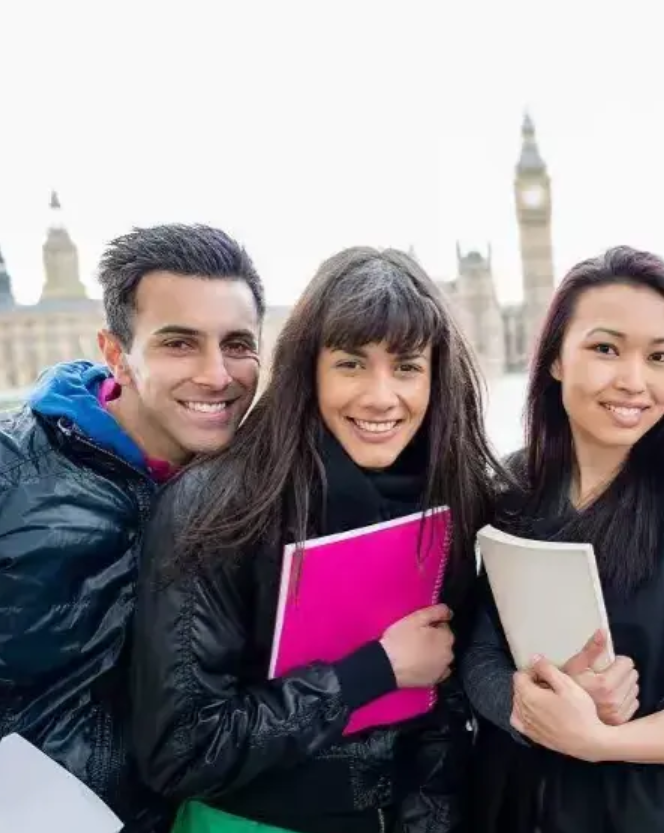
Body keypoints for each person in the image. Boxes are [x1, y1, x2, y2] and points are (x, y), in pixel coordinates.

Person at [128, 247, 501, 833]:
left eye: (406, 367)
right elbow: (184, 747)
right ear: (309, 370)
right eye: (351, 364)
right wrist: (372, 671)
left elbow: (442, 716)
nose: (381, 396)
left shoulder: (454, 491)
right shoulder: (219, 505)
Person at [460, 246, 664, 833]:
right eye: (605, 349)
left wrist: (602, 739)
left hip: (658, 807)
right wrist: (531, 705)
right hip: (518, 803)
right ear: (554, 359)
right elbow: (479, 654)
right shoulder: (511, 488)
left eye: (660, 357)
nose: (634, 382)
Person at [0, 224, 265, 833]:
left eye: (237, 344)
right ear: (116, 352)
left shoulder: (254, 494)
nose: (217, 375)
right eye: (179, 343)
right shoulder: (15, 472)